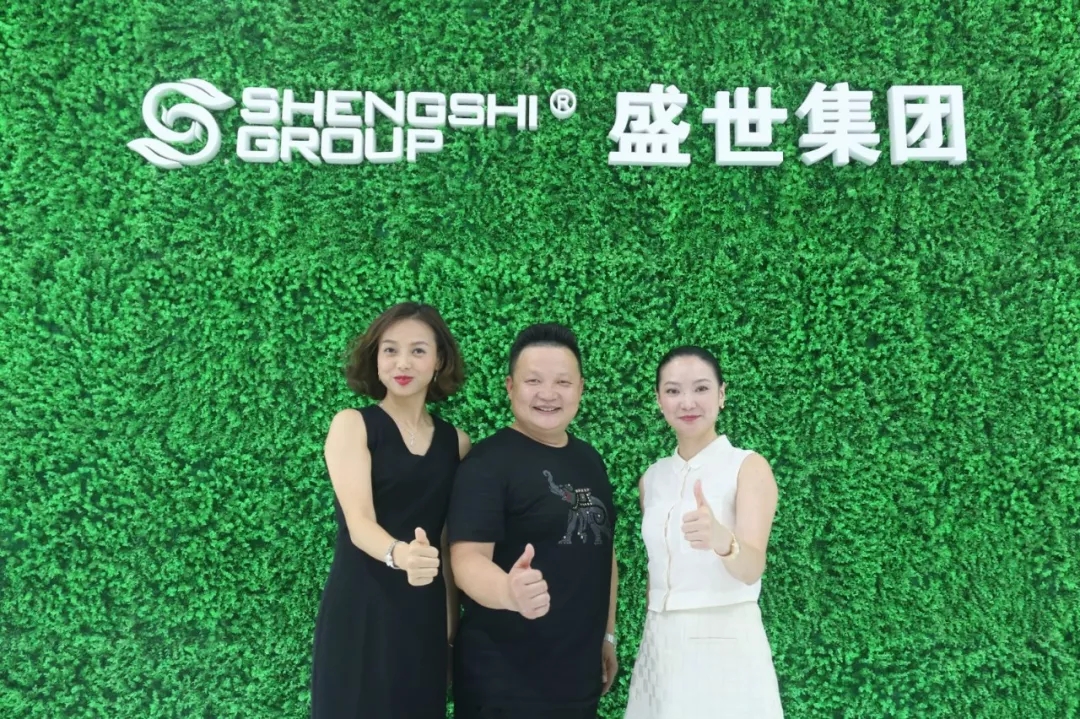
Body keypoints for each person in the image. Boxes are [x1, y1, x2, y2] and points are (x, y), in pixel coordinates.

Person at [446, 323, 619, 719]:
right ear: (510, 387)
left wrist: (607, 635)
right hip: (504, 684)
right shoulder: (487, 464)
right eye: (533, 381)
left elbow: (603, 552)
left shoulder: (589, 459)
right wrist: (508, 591)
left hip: (578, 681)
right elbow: (467, 560)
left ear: (581, 389)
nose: (548, 394)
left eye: (562, 382)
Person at [310, 302, 472, 719]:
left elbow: (446, 544)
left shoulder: (456, 443)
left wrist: (449, 632)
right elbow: (359, 522)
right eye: (390, 350)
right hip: (359, 608)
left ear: (439, 361)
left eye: (418, 350)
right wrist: (401, 555)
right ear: (376, 359)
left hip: (423, 617)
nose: (402, 362)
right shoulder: (352, 425)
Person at [624, 345, 784, 718]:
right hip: (660, 644)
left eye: (701, 388)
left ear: (721, 394)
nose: (687, 402)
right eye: (673, 390)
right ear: (659, 400)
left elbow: (752, 568)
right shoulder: (653, 478)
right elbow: (656, 571)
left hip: (725, 643)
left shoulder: (747, 466)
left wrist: (722, 540)